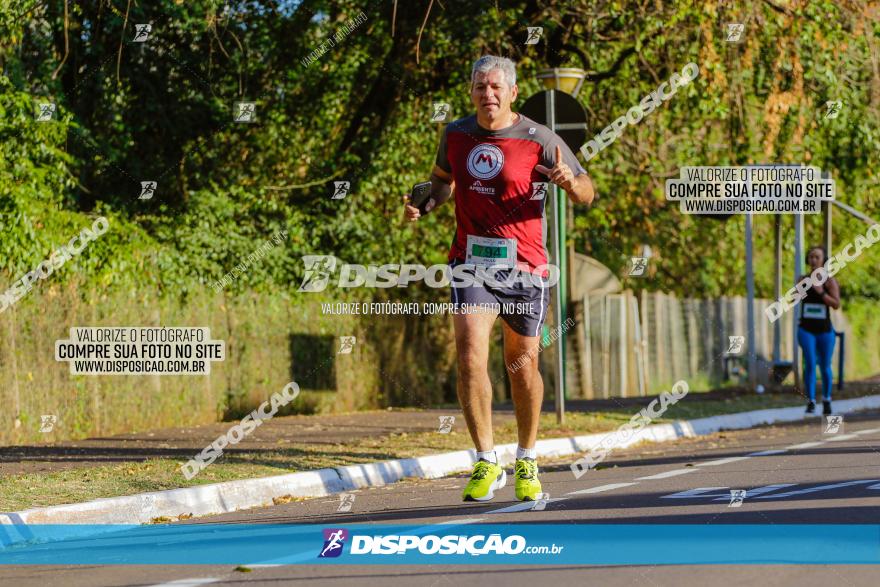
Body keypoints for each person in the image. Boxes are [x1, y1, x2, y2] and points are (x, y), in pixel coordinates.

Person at [402, 55, 594, 501]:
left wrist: (569, 181)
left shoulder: (539, 139)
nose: (486, 94)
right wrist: (423, 204)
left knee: (522, 364)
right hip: (471, 263)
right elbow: (442, 182)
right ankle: (486, 461)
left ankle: (526, 458)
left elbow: (587, 191)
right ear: (471, 92)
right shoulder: (456, 134)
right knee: (470, 355)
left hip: (526, 267)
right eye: (478, 87)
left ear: (511, 92)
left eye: (494, 87)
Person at [797, 246, 840, 415]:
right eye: (811, 257)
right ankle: (811, 401)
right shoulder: (802, 279)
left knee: (825, 366)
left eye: (817, 257)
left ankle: (827, 399)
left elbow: (836, 304)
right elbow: (794, 299)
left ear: (823, 261)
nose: (814, 260)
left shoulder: (830, 281)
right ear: (808, 260)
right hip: (806, 330)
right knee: (809, 363)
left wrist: (821, 292)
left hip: (824, 331)